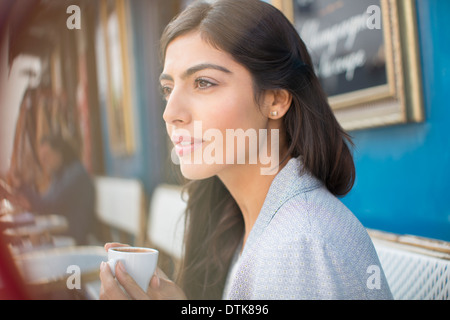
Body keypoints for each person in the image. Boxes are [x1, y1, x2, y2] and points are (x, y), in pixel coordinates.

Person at [99, 0, 393, 300]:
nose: (170, 112)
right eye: (167, 89)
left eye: (203, 82)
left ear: (276, 100)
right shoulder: (242, 220)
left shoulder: (298, 247)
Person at [10, 135, 95, 245]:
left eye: (47, 156)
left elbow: (47, 206)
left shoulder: (74, 175)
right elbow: (45, 202)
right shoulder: (61, 174)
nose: (44, 162)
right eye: (42, 159)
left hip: (77, 240)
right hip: (65, 234)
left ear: (59, 152)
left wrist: (22, 186)